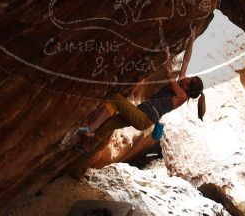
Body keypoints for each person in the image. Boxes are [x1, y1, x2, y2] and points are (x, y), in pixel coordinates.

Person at [76, 37, 205, 155]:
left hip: (144, 118)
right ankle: (87, 147)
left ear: (188, 87)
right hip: (140, 113)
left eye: (189, 79)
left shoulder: (182, 96)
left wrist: (167, 55)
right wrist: (192, 37)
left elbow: (168, 74)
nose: (186, 77)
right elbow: (187, 60)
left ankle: (90, 128)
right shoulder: (181, 86)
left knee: (116, 99)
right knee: (110, 123)